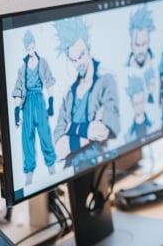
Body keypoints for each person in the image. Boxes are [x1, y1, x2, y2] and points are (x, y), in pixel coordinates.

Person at [52, 17, 121, 168]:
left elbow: (102, 131)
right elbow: (57, 150)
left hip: (99, 165)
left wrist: (72, 128)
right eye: (74, 60)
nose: (79, 64)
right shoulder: (68, 95)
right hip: (71, 172)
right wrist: (88, 130)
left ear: (88, 48)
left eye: (81, 55)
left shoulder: (106, 81)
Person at [11, 30, 57, 185]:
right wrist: (17, 113)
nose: (30, 50)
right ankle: (29, 175)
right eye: (28, 48)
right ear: (25, 48)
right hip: (27, 104)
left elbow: (49, 83)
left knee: (45, 134)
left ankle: (52, 169)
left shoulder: (42, 63)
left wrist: (50, 104)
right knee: (27, 139)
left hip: (39, 101)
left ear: (35, 45)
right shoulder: (21, 69)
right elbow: (18, 91)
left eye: (32, 47)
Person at [126, 4, 159, 105]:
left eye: (144, 44)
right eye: (137, 45)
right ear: (131, 45)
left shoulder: (158, 64)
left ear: (149, 42)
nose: (140, 50)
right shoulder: (124, 71)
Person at [124, 75, 152, 142]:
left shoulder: (154, 125)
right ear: (132, 104)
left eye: (141, 102)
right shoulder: (128, 135)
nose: (140, 107)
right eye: (137, 104)